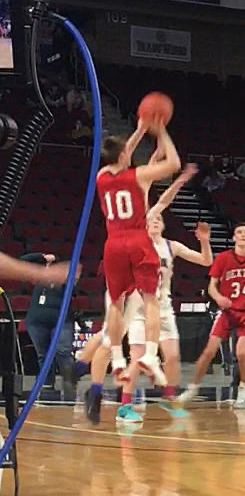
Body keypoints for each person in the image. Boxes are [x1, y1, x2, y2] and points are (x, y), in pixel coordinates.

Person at [87, 118, 181, 421]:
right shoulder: (138, 176)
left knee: (115, 304)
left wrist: (140, 131)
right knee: (149, 299)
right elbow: (174, 163)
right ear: (126, 157)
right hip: (138, 241)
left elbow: (120, 155)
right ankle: (152, 356)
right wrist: (159, 130)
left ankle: (117, 358)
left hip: (113, 244)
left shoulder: (101, 177)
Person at [117, 213, 213, 423]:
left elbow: (206, 261)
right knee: (138, 358)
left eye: (159, 218)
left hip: (163, 307)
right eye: (151, 218)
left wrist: (204, 241)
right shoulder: (135, 245)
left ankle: (169, 397)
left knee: (172, 357)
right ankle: (124, 406)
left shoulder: (171, 246)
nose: (155, 220)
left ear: (163, 224)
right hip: (139, 309)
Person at [178, 222, 245, 409]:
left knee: (241, 352)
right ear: (234, 237)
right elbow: (212, 286)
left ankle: (244, 387)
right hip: (227, 311)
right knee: (208, 352)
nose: (243, 235)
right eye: (239, 232)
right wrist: (219, 297)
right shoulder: (223, 258)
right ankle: (193, 387)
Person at [22, 252, 76, 400]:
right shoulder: (37, 277)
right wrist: (41, 256)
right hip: (36, 321)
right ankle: (47, 385)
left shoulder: (65, 279)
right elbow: (22, 260)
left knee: (63, 352)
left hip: (62, 320)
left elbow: (74, 274)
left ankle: (69, 382)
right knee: (43, 355)